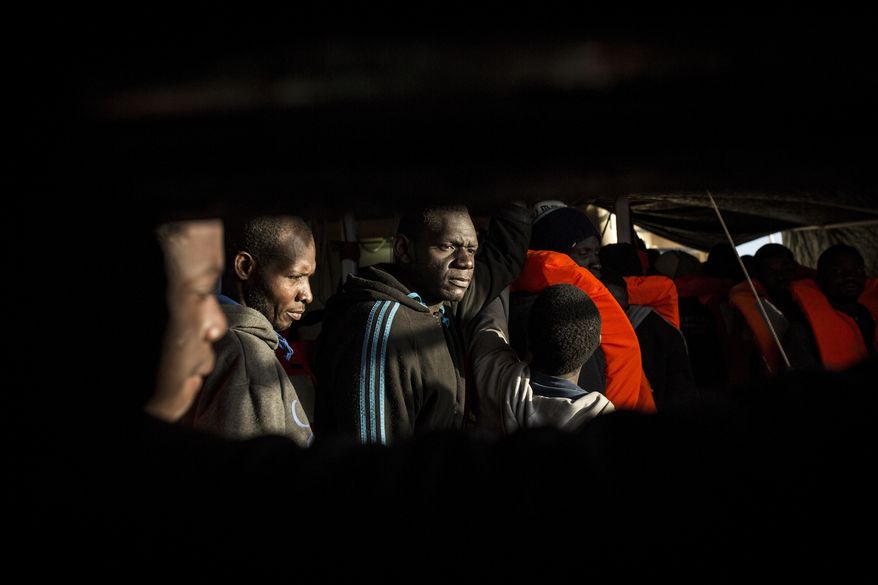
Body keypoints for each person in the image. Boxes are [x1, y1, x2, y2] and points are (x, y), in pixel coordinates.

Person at [314, 203, 531, 443]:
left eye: (471, 250)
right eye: (447, 247)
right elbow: (372, 459)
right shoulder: (382, 329)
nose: (466, 262)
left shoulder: (439, 303)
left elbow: (503, 257)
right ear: (404, 249)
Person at [183, 215, 316, 445]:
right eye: (294, 277)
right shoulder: (245, 355)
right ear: (245, 267)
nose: (307, 295)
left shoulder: (208, 337)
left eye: (308, 277)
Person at [514, 201, 656, 413]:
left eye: (597, 252)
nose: (595, 261)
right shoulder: (552, 316)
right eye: (584, 252)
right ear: (556, 253)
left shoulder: (597, 302)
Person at [468, 284, 614, 433]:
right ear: (597, 344)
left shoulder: (496, 377)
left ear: (528, 338)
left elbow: (490, 305)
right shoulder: (606, 427)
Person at [789, 244, 876, 370]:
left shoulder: (867, 316)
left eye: (858, 270)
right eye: (838, 272)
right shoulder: (803, 331)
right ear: (821, 278)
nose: (850, 277)